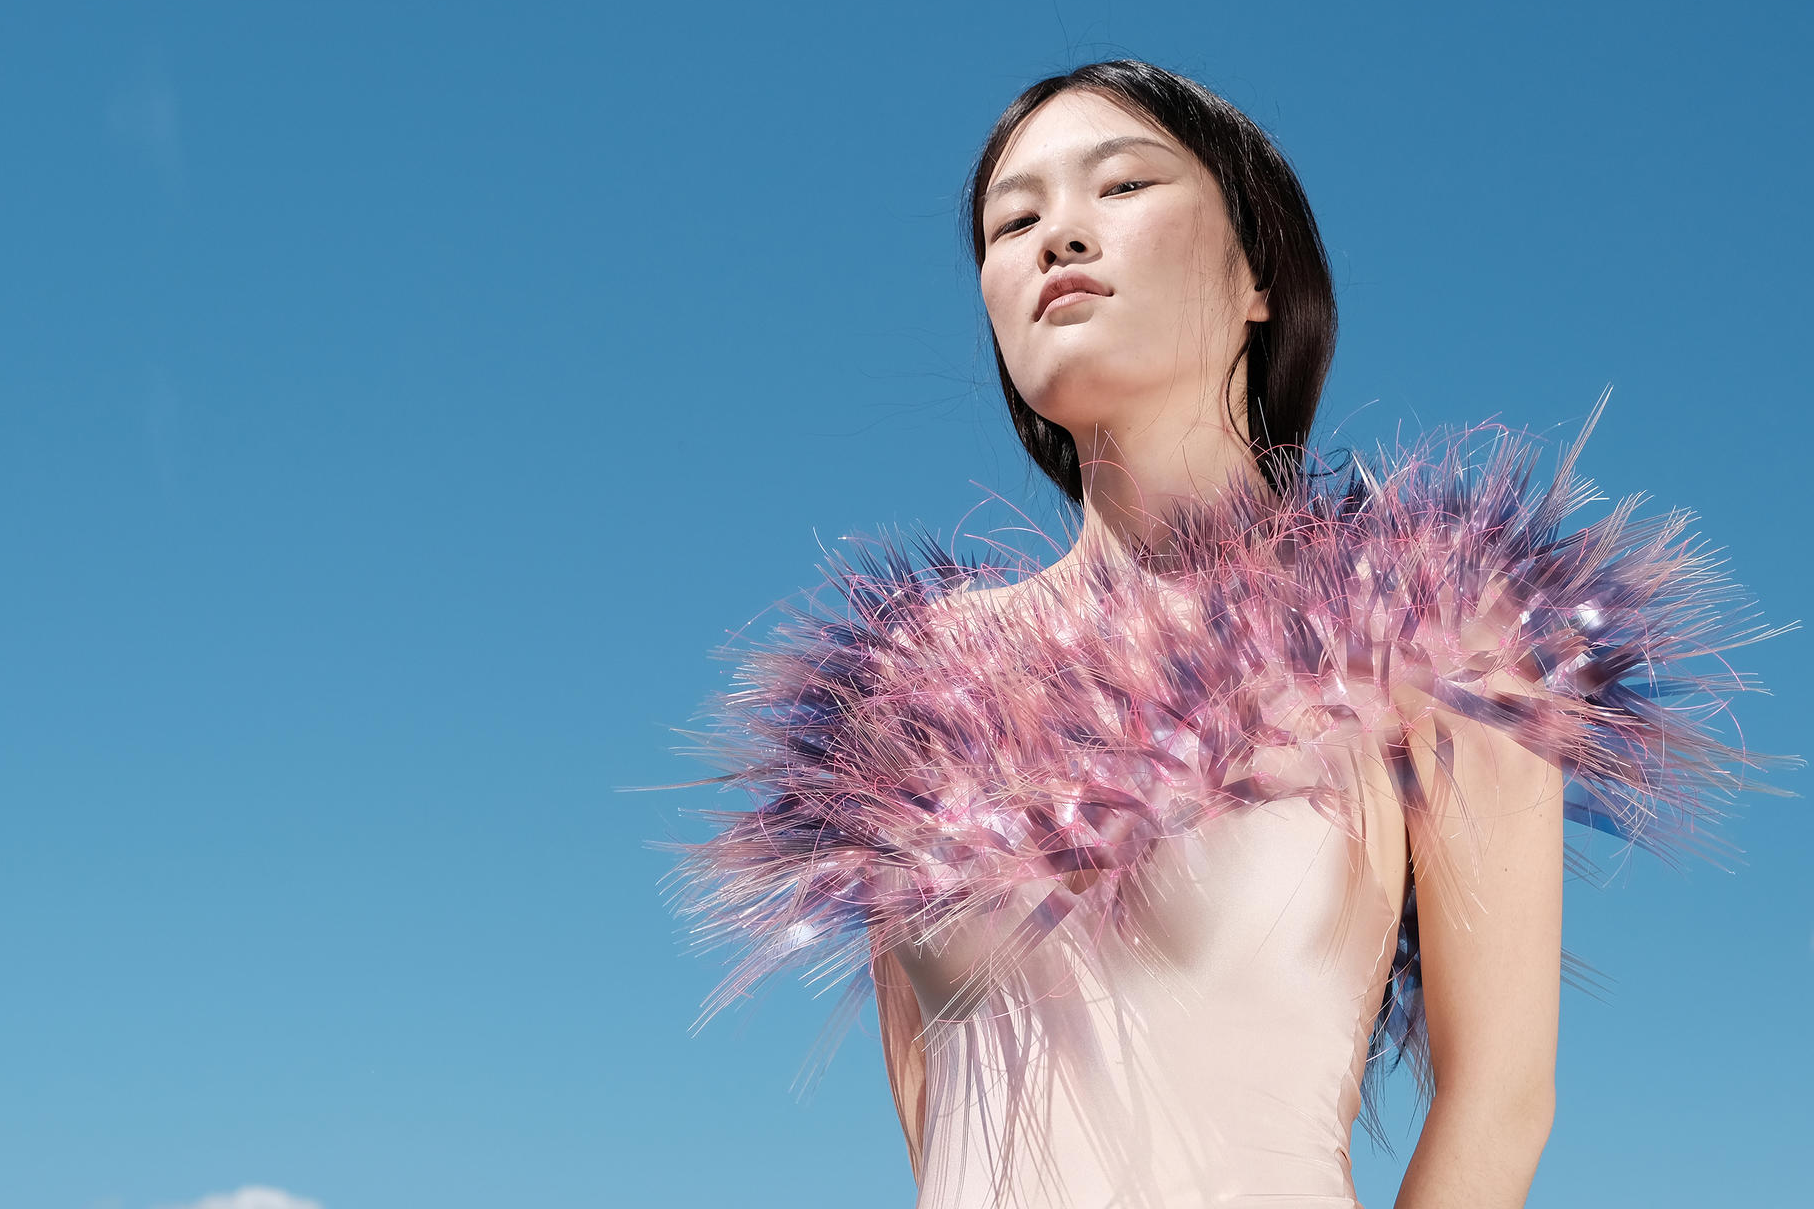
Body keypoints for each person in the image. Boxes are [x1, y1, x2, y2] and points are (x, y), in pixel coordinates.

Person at [651, 61, 1791, 1209]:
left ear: (1258, 274)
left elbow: (1498, 1102)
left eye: (1123, 185)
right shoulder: (907, 694)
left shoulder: (1432, 633)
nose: (1059, 237)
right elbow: (935, 1116)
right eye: (1014, 219)